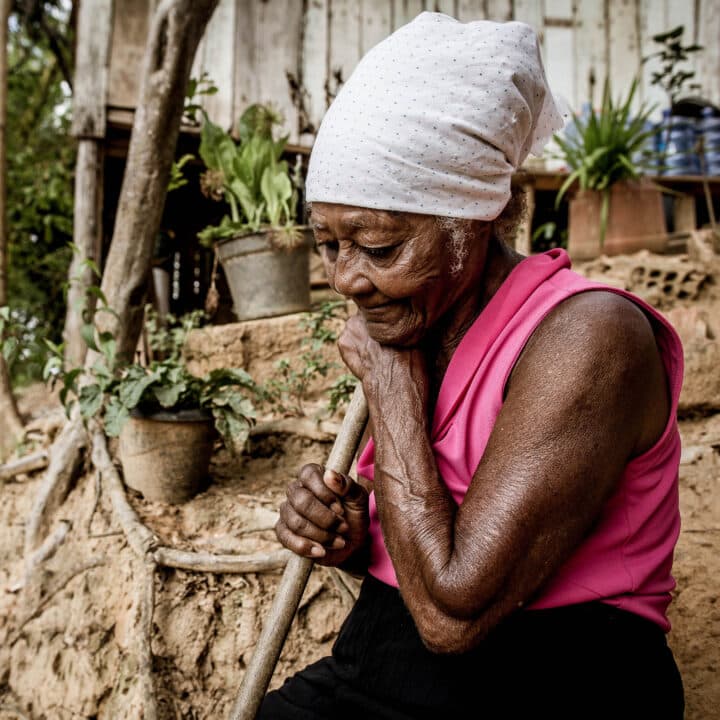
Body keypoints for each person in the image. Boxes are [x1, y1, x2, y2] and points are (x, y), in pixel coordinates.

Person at [260, 12, 685, 719]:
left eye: (380, 247)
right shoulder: (421, 319)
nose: (346, 280)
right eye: (329, 244)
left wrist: (392, 389)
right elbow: (428, 532)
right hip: (385, 661)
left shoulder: (590, 336)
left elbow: (454, 614)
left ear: (473, 221)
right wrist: (356, 534)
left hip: (558, 680)